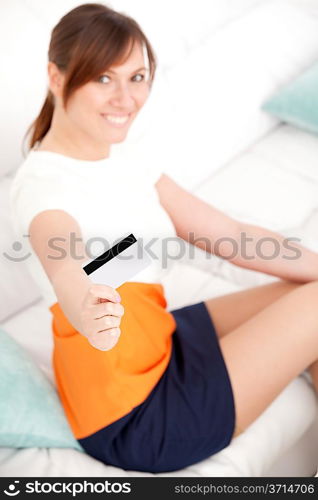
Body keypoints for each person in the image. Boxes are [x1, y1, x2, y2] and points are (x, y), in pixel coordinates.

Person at [10, 3, 318, 474]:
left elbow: (231, 236)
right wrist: (86, 307)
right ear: (57, 76)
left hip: (162, 341)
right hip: (135, 417)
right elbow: (65, 262)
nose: (125, 98)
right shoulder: (43, 186)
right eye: (103, 79)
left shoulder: (125, 162)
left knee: (306, 290)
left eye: (136, 77)